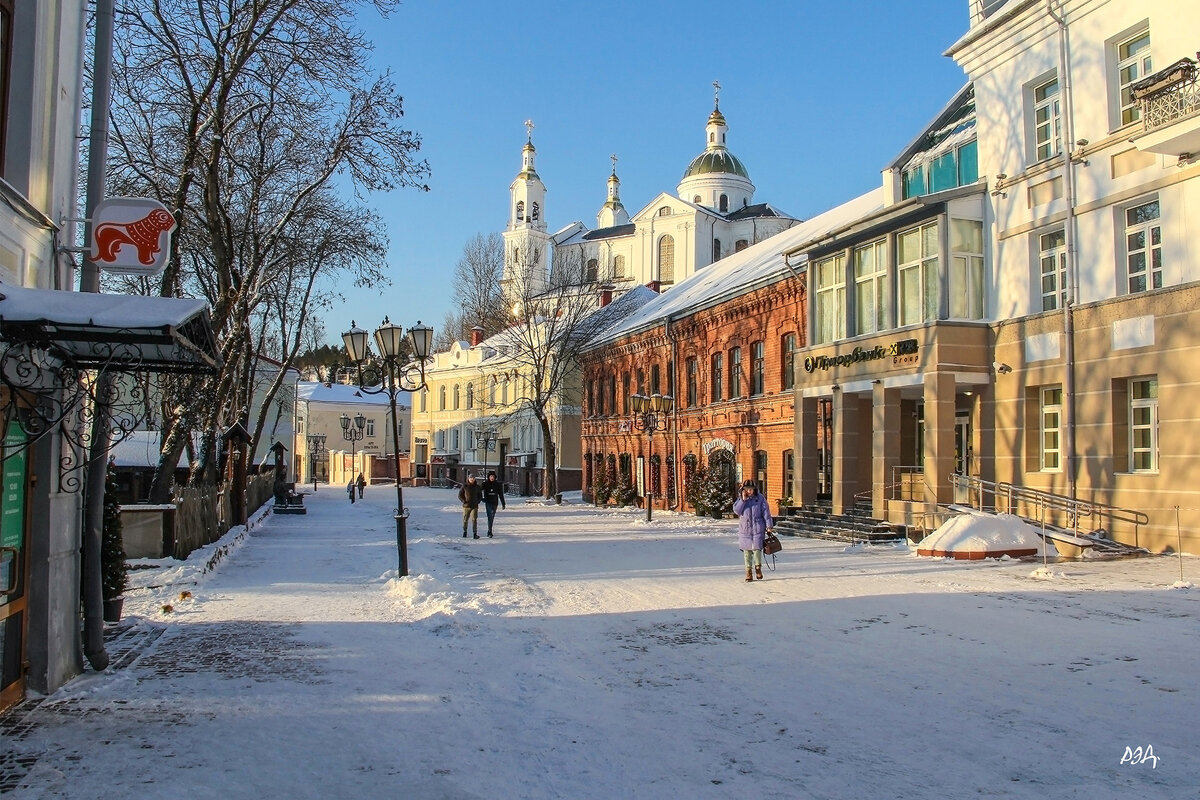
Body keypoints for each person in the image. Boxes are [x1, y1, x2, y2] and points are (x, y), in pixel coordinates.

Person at [732, 479, 773, 582]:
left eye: (751, 489)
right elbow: (737, 510)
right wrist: (743, 500)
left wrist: (769, 526)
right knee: (747, 551)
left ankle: (758, 568)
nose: (749, 491)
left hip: (758, 528)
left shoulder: (760, 499)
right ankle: (748, 572)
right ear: (743, 490)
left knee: (757, 550)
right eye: (747, 489)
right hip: (745, 529)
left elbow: (766, 513)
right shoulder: (741, 499)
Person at [480, 470, 506, 538]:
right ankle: (489, 531)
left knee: (492, 516)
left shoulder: (497, 484)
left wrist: (503, 503)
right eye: (491, 476)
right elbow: (479, 491)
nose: (492, 478)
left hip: (495, 502)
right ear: (488, 477)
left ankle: (489, 529)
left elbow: (501, 494)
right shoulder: (485, 484)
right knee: (490, 516)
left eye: (493, 476)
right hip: (488, 502)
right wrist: (481, 498)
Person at [458, 474, 483, 538]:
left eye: (473, 478)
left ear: (474, 479)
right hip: (466, 506)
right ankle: (465, 531)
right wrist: (464, 501)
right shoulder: (465, 486)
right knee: (465, 519)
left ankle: (475, 533)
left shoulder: (477, 487)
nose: (472, 479)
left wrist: (478, 501)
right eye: (470, 478)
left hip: (474, 506)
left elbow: (480, 496)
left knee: (474, 519)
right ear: (468, 479)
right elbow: (460, 495)